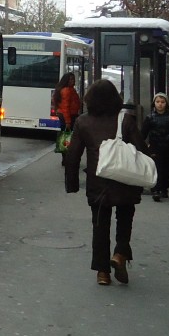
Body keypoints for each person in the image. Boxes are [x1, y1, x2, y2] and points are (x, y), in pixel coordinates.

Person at [62, 79, 146, 286]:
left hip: (98, 183)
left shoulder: (83, 122)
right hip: (125, 180)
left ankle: (102, 272)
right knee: (125, 220)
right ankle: (119, 254)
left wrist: (72, 184)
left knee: (100, 225)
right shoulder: (125, 120)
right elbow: (141, 150)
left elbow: (73, 155)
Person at [141, 92, 169, 200]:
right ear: (154, 103)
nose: (160, 104)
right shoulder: (150, 117)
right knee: (157, 168)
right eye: (157, 102)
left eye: (162, 102)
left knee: (167, 169)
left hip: (168, 147)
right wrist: (141, 145)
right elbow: (143, 133)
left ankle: (164, 188)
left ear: (166, 103)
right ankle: (156, 190)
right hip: (155, 147)